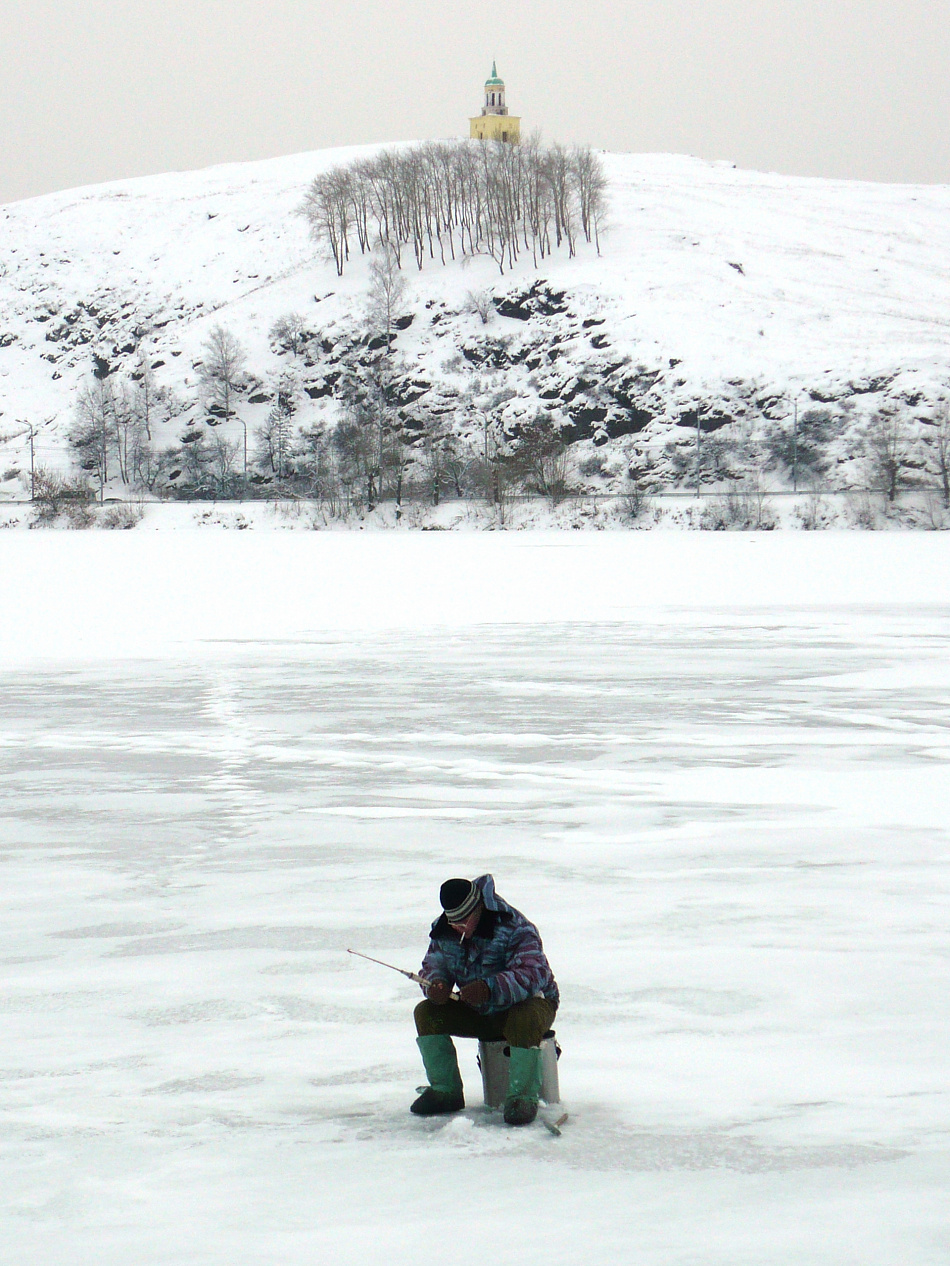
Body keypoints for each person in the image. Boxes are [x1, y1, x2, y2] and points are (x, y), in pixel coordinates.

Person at [411, 874, 559, 1126]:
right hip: (478, 1010)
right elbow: (433, 965)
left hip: (530, 1004)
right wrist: (435, 984)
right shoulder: (445, 931)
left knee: (524, 1016)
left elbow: (534, 973)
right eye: (453, 923)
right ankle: (446, 1091)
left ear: (478, 909)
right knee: (427, 1012)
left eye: (464, 922)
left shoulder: (515, 927)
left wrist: (489, 988)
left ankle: (522, 1097)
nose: (459, 929)